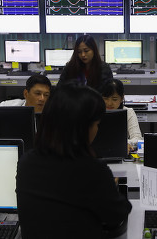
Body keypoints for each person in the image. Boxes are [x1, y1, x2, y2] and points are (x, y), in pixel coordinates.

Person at [16, 81, 131, 239]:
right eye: (96, 124)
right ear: (82, 128)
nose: (97, 130)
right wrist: (109, 185)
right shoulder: (91, 169)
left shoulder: (26, 162)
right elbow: (117, 216)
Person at [100, 78, 142, 152]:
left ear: (122, 98)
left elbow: (138, 138)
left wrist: (126, 144)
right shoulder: (95, 112)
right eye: (106, 98)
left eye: (114, 99)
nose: (109, 103)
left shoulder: (128, 112)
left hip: (120, 153)